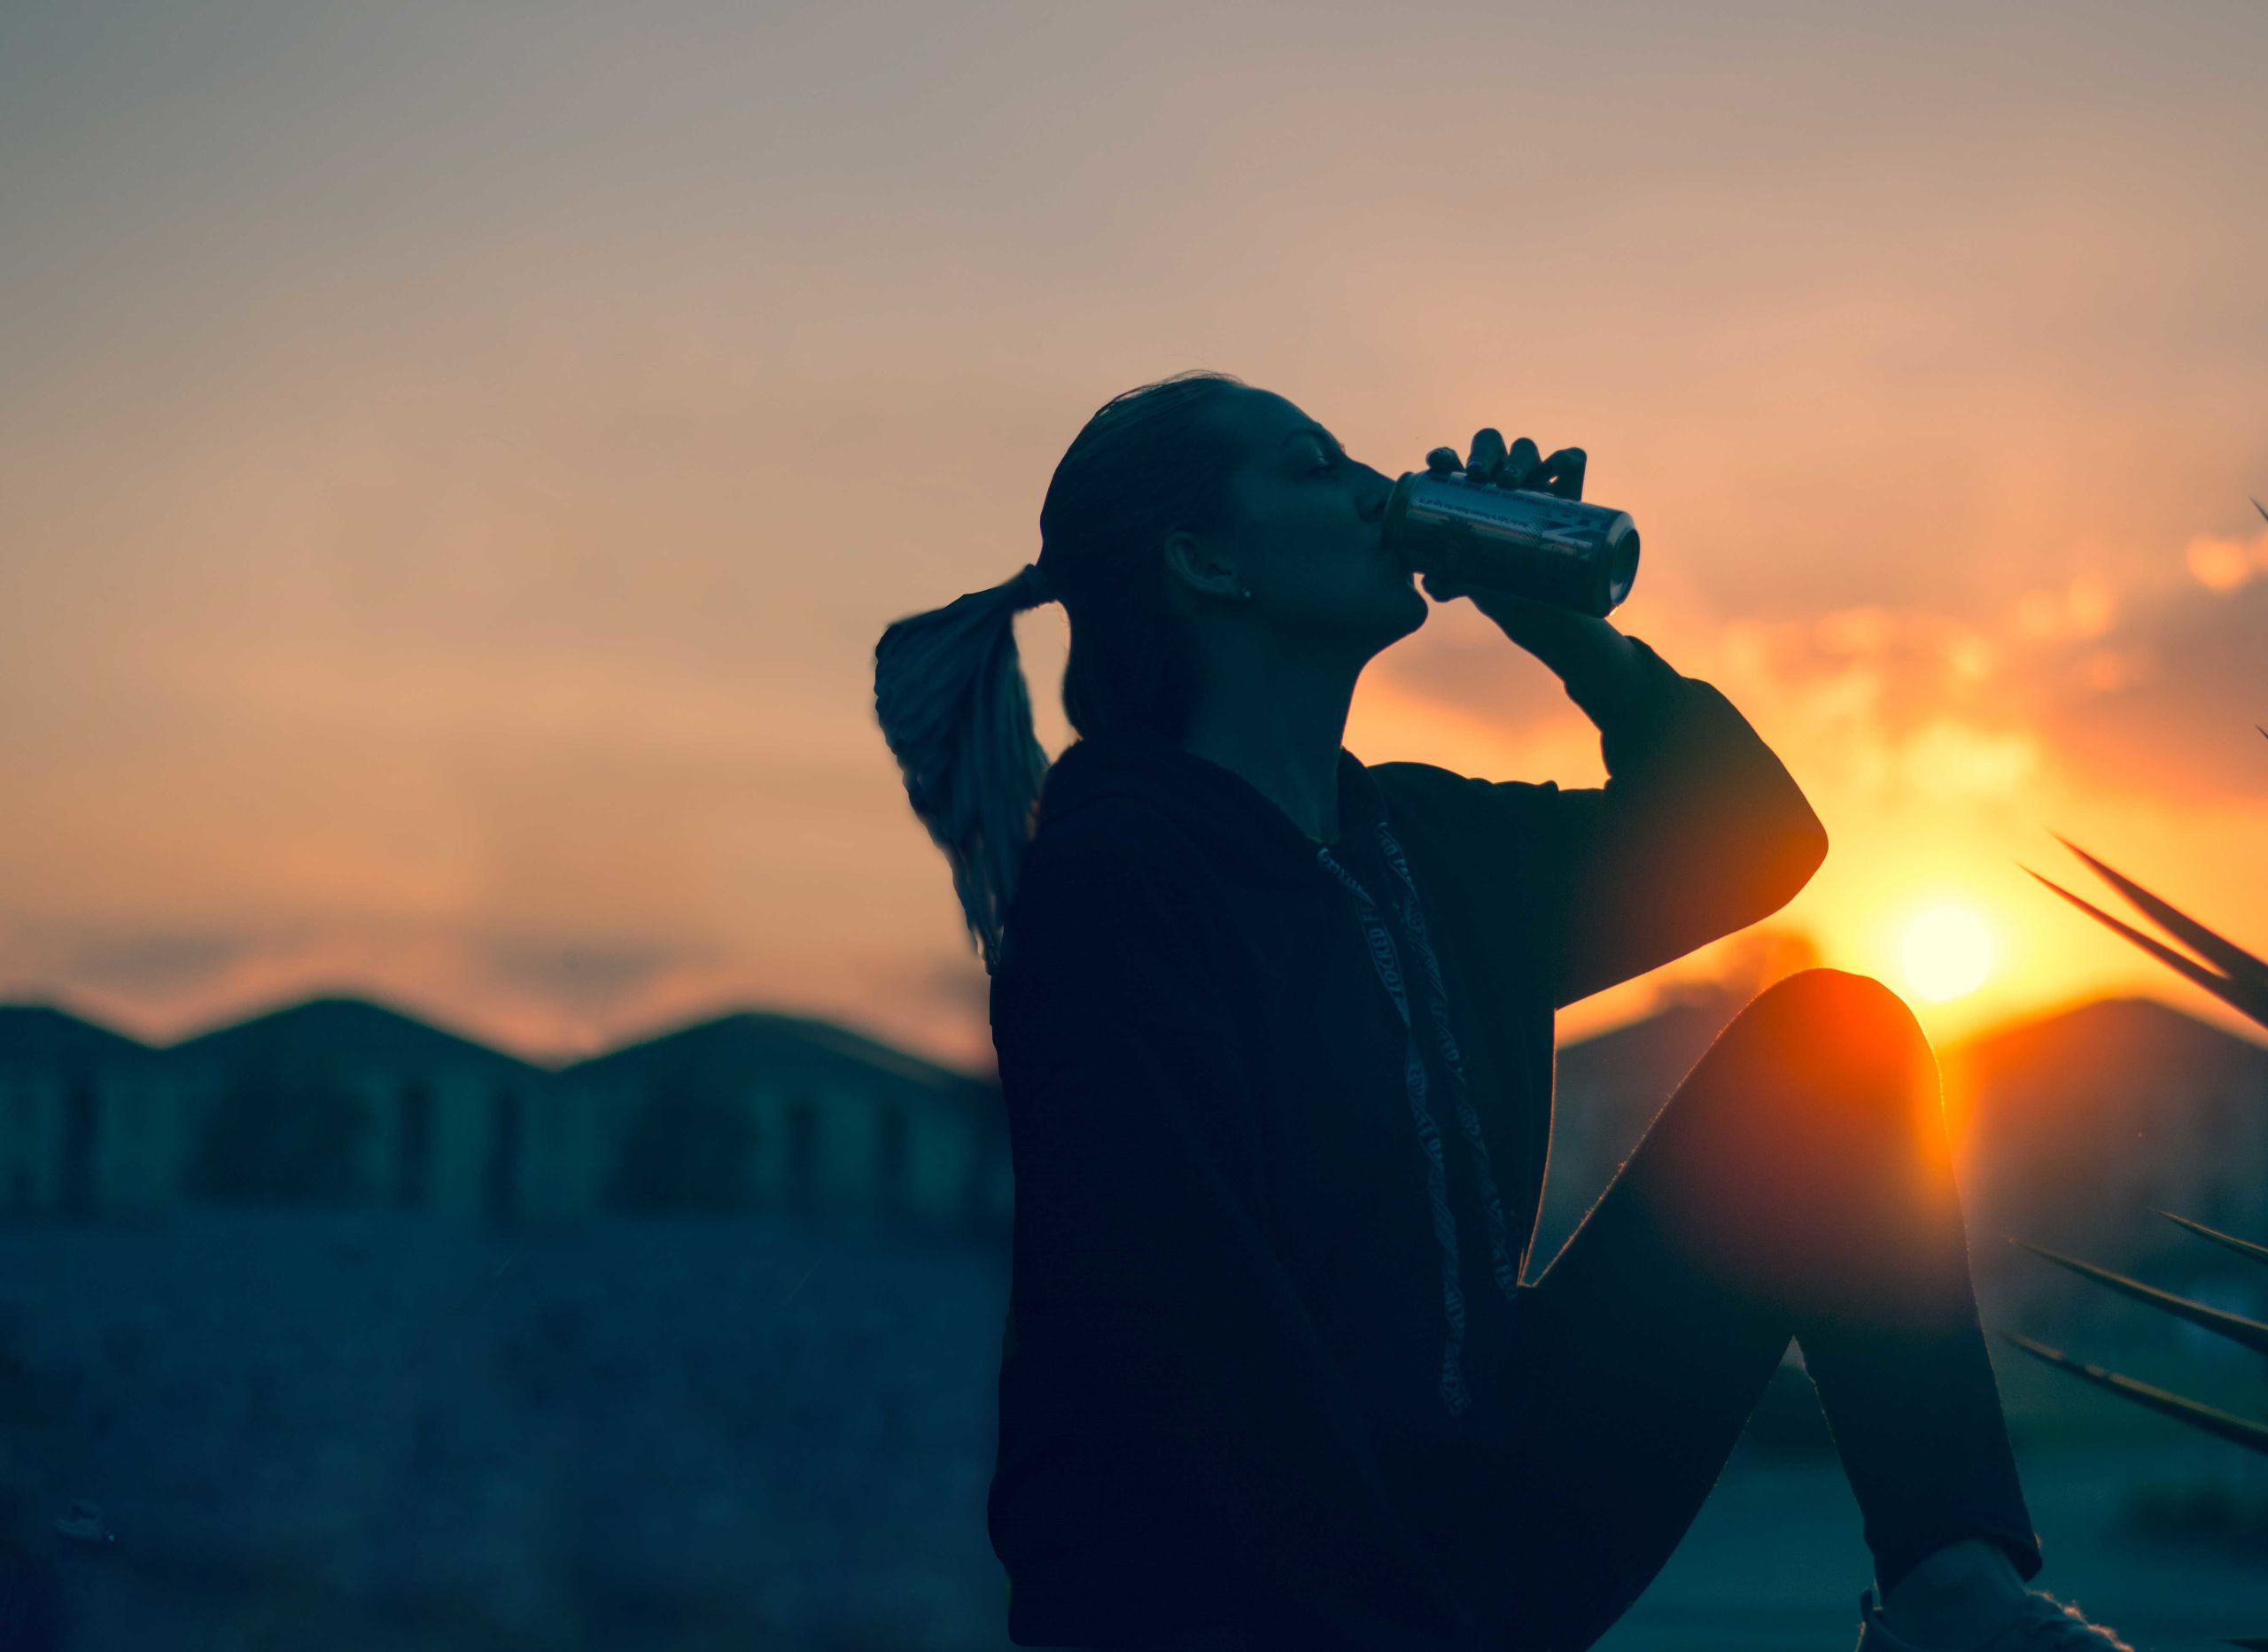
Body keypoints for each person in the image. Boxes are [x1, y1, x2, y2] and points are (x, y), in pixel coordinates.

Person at [872, 370, 2132, 1652]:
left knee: (1834, 1046)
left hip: (1487, 1506)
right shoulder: (1120, 882)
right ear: (1205, 560)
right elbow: (1195, 1340)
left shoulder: (1425, 844)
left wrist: (1568, 632)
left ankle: (1951, 1599)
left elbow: (1756, 837)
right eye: (1316, 467)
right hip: (1229, 1587)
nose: (1378, 490)